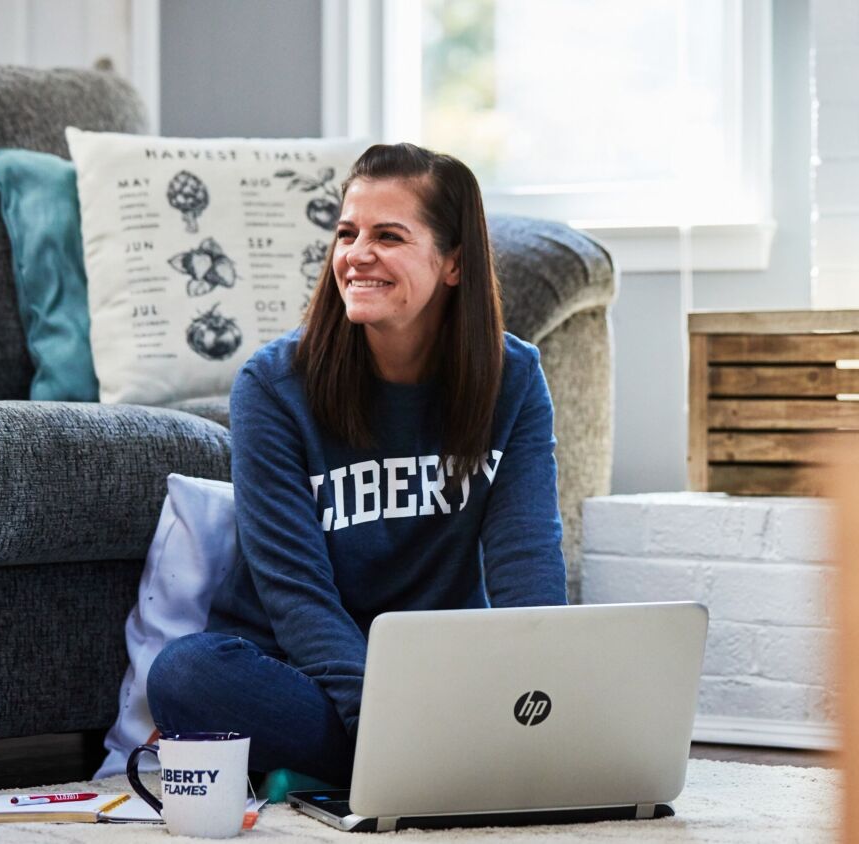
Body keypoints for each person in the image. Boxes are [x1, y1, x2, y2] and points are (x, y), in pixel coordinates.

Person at [146, 142, 567, 788]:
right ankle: (441, 763)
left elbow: (527, 571)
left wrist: (541, 704)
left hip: (433, 673)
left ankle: (387, 766)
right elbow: (297, 596)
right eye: (347, 233)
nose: (356, 254)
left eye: (389, 235)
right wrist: (385, 720)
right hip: (299, 667)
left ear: (452, 262)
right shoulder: (271, 387)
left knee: (561, 680)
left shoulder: (512, 382)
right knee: (185, 677)